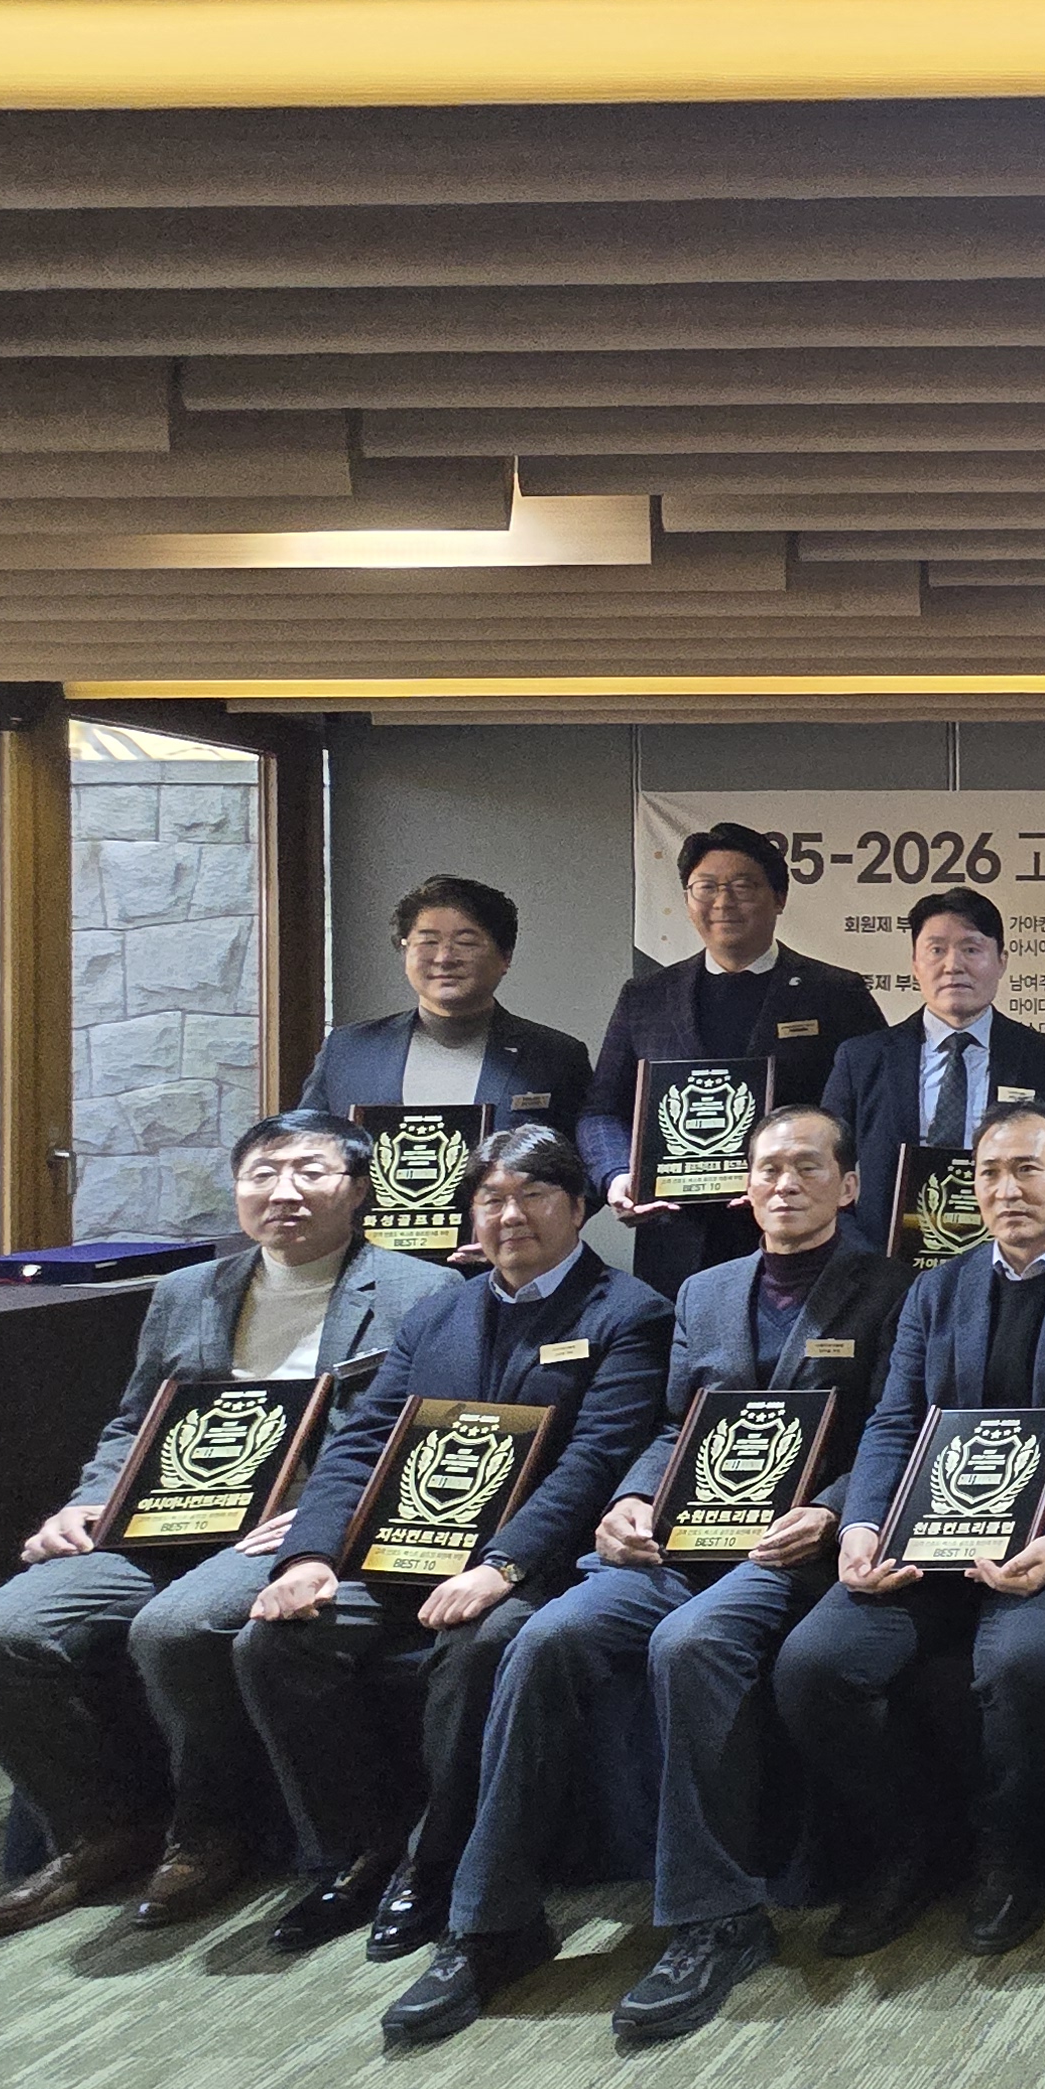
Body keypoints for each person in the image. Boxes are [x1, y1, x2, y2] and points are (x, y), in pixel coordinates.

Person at [384, 1104, 911, 2046]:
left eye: (806, 1167)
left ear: (849, 1184)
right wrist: (629, 1500)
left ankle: (718, 1917)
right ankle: (492, 1922)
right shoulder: (704, 1291)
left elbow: (890, 1424)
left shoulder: (895, 1288)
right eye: (767, 1169)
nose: (784, 1185)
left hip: (791, 1548)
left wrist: (835, 1510)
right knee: (546, 1637)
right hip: (678, 1535)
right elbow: (675, 1425)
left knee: (690, 1642)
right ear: (744, 1185)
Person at [0, 1112, 458, 1938]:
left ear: (359, 1189)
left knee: (178, 1628)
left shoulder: (422, 1293)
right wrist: (87, 1501)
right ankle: (100, 1827)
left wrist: (327, 1516)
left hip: (289, 1531)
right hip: (156, 1519)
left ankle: (208, 1836)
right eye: (262, 1174)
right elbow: (133, 1423)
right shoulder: (186, 1292)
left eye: (311, 1172)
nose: (283, 1192)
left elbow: (428, 1437)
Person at [234, 1124, 675, 1962]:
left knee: (480, 1647)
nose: (511, 1215)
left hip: (538, 1563)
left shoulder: (630, 1313)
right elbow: (362, 1443)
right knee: (274, 1643)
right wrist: (311, 1556)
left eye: (533, 1195)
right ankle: (359, 1852)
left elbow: (595, 1461)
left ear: (579, 1206)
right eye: (491, 1198)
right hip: (404, 1554)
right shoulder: (438, 1310)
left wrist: (502, 1565)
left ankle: (434, 1864)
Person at [779, 1095, 1045, 1958]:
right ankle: (910, 1843)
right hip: (925, 1542)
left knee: (1027, 1665)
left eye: (1027, 1169)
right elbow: (893, 1422)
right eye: (989, 1173)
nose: (1006, 1190)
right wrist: (860, 1526)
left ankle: (1010, 1853)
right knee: (814, 1665)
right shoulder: (935, 1287)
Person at [582, 821, 890, 1293]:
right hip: (676, 1242)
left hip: (804, 1240)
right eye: (706, 887)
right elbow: (602, 1109)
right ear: (688, 900)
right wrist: (618, 1175)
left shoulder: (835, 993)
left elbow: (875, 1109)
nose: (723, 902)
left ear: (779, 898)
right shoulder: (647, 997)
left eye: (743, 886)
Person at [825, 884, 1045, 1253]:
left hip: (1009, 1259)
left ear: (1001, 961)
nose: (953, 966)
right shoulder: (863, 1059)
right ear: (915, 964)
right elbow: (830, 1167)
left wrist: (1035, 1246)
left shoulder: (1043, 1058)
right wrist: (857, 1251)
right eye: (936, 950)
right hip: (884, 1263)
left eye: (971, 949)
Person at [291, 875, 594, 1128]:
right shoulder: (348, 1050)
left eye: (466, 942)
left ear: (505, 957)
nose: (444, 958)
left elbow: (581, 1168)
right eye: (428, 942)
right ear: (405, 953)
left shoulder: (556, 1057)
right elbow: (304, 1148)